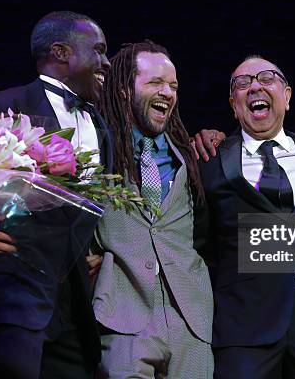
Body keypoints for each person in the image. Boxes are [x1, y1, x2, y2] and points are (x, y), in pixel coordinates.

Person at [0, 11, 111, 379]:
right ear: (60, 53)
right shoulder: (0, 107)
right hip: (13, 299)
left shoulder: (101, 125)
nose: (106, 62)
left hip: (75, 311)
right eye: (98, 50)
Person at [199, 55, 295, 378]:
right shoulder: (210, 161)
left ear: (286, 95)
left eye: (267, 78)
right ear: (233, 104)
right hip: (243, 320)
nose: (255, 85)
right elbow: (201, 239)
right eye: (242, 84)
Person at [92, 40, 213, 378]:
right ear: (124, 89)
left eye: (173, 85)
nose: (168, 92)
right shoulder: (97, 149)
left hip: (190, 318)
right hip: (124, 313)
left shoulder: (190, 157)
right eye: (155, 83)